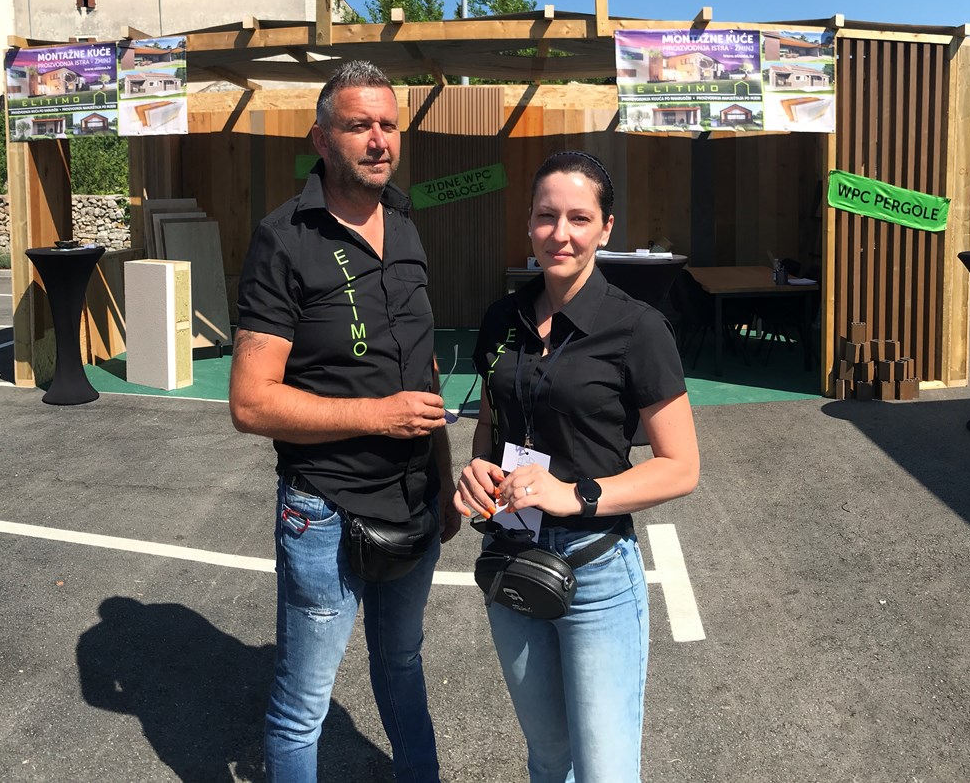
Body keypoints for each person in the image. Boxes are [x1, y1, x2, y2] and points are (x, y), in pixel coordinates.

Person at [229, 59, 460, 783]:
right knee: (304, 706)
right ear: (322, 138)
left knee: (402, 661)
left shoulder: (407, 223)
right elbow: (250, 402)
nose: (379, 140)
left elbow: (422, 369)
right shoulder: (284, 239)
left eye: (389, 125)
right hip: (325, 510)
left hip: (415, 499)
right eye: (360, 125)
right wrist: (376, 417)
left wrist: (444, 478)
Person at [457, 150, 700, 783]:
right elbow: (490, 425)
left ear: (605, 228)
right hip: (511, 553)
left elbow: (681, 466)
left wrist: (575, 495)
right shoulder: (501, 319)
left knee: (604, 771)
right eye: (546, 216)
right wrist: (477, 471)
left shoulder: (637, 329)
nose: (559, 234)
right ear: (528, 222)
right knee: (547, 757)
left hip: (594, 570)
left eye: (579, 218)